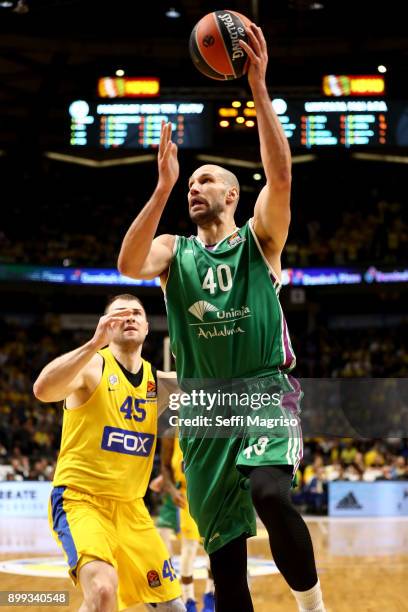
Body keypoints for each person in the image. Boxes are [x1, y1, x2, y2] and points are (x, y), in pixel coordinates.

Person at [117, 22, 325, 612]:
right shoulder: (173, 252)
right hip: (204, 404)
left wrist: (258, 86)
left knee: (270, 492)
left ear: (234, 196)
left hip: (262, 388)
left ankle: (314, 607)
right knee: (226, 561)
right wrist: (162, 188)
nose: (196, 187)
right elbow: (130, 263)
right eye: (194, 181)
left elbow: (280, 177)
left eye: (207, 180)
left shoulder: (261, 240)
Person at [33, 294, 185, 612]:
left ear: (146, 327)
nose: (129, 317)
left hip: (133, 509)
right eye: (119, 314)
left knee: (173, 606)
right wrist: (92, 343)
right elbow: (42, 389)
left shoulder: (163, 384)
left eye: (136, 313)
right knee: (103, 591)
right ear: (105, 325)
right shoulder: (91, 366)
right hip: (81, 502)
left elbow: (196, 435)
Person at [161, 433, 215, 612]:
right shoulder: (171, 433)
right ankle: (189, 599)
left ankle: (210, 595)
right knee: (189, 547)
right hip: (186, 495)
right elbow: (165, 467)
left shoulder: (214, 424)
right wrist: (170, 488)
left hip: (211, 493)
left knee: (213, 547)